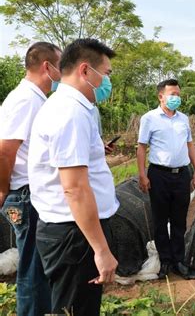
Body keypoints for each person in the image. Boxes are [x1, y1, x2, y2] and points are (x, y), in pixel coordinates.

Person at [28, 38, 119, 315]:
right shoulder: (69, 112)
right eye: (106, 73)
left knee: (76, 306)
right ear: (85, 71)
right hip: (74, 237)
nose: (107, 81)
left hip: (74, 233)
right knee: (75, 309)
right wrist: (101, 250)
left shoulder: (72, 108)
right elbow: (75, 189)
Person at [0, 41, 61, 316]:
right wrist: (3, 190)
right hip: (23, 194)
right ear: (47, 67)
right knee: (32, 268)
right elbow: (4, 151)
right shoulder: (25, 99)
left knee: (38, 265)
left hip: (29, 192)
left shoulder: (36, 98)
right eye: (60, 66)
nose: (62, 74)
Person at [137, 79, 195, 280]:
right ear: (161, 96)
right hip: (159, 175)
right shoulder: (149, 118)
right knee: (160, 219)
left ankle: (178, 261)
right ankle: (165, 261)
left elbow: (190, 145)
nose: (176, 98)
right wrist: (142, 174)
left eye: (178, 94)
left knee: (179, 219)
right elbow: (141, 147)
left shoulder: (184, 119)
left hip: (182, 174)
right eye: (172, 94)